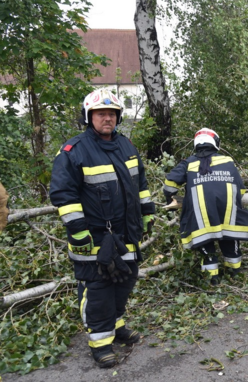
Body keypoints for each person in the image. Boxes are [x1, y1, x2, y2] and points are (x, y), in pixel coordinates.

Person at [49, 89, 155, 369]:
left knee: (125, 279)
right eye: (101, 114)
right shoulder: (74, 151)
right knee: (97, 287)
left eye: (111, 114)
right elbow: (63, 194)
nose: (107, 119)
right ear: (89, 117)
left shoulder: (126, 145)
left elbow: (140, 184)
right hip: (93, 236)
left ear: (118, 117)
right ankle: (100, 343)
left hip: (127, 233)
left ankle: (116, 325)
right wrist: (78, 231)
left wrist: (147, 213)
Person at [162, 128, 248, 286]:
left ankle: (213, 281)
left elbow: (169, 185)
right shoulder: (227, 161)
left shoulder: (188, 163)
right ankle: (235, 276)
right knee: (230, 242)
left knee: (206, 249)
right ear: (216, 143)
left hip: (201, 219)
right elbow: (241, 190)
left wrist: (171, 200)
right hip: (229, 216)